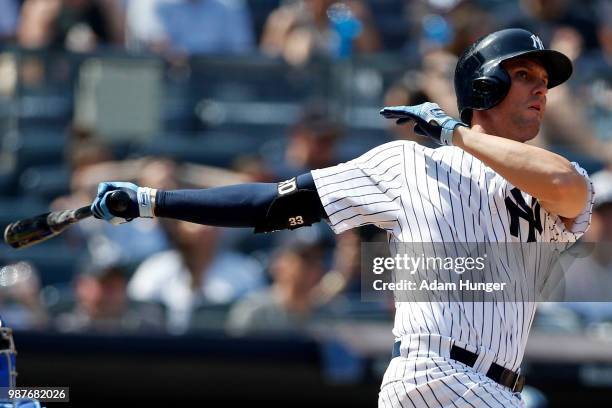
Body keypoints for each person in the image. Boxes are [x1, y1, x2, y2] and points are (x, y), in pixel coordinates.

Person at [90, 28, 593, 407]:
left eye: (544, 81)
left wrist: (454, 132)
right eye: (524, 74)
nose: (540, 90)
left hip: (498, 386)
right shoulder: (410, 163)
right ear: (485, 87)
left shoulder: (549, 180)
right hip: (437, 376)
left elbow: (567, 186)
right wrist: (157, 201)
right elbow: (276, 202)